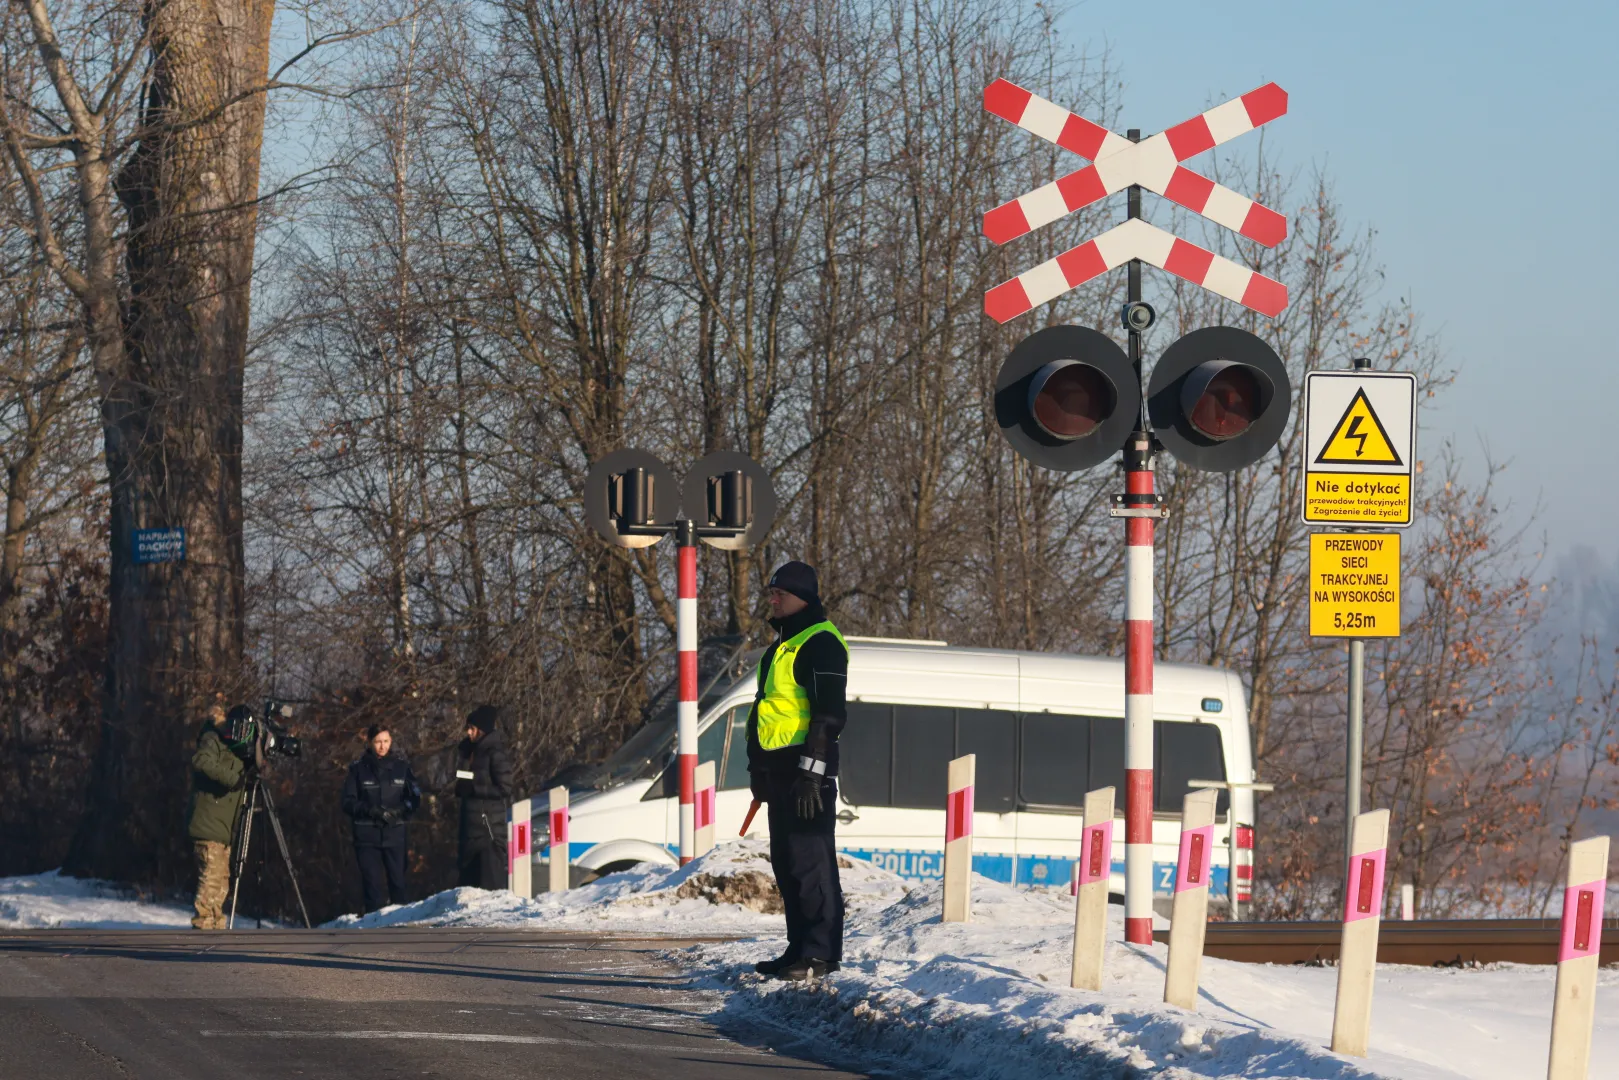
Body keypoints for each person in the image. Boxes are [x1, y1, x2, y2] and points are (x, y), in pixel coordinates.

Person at [746, 560, 848, 981]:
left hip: (807, 773)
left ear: (802, 598)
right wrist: (759, 770)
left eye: (780, 593)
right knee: (787, 865)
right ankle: (798, 948)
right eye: (771, 591)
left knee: (812, 864)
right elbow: (766, 711)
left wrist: (812, 773)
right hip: (779, 769)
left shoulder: (821, 642)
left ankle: (821, 953)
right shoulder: (781, 646)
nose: (773, 598)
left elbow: (828, 715)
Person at [187, 703, 260, 930]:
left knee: (221, 884)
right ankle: (203, 926)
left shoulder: (235, 749)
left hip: (223, 830)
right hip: (209, 826)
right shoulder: (213, 738)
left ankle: (215, 927)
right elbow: (201, 761)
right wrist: (232, 778)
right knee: (210, 880)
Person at [341, 724, 421, 912]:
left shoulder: (402, 768)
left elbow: (415, 797)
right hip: (367, 836)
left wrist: (400, 811)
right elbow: (347, 802)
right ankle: (373, 930)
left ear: (391, 741)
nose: (382, 746)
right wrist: (371, 810)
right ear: (370, 743)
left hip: (395, 835)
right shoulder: (358, 770)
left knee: (398, 885)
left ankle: (400, 928)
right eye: (377, 742)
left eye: (386, 741)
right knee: (372, 888)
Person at [456, 704, 513, 889]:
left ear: (482, 730)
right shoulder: (467, 752)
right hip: (469, 829)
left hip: (488, 830)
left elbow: (505, 788)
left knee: (491, 884)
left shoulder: (495, 753)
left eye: (472, 728)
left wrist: (475, 789)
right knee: (468, 887)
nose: (469, 733)